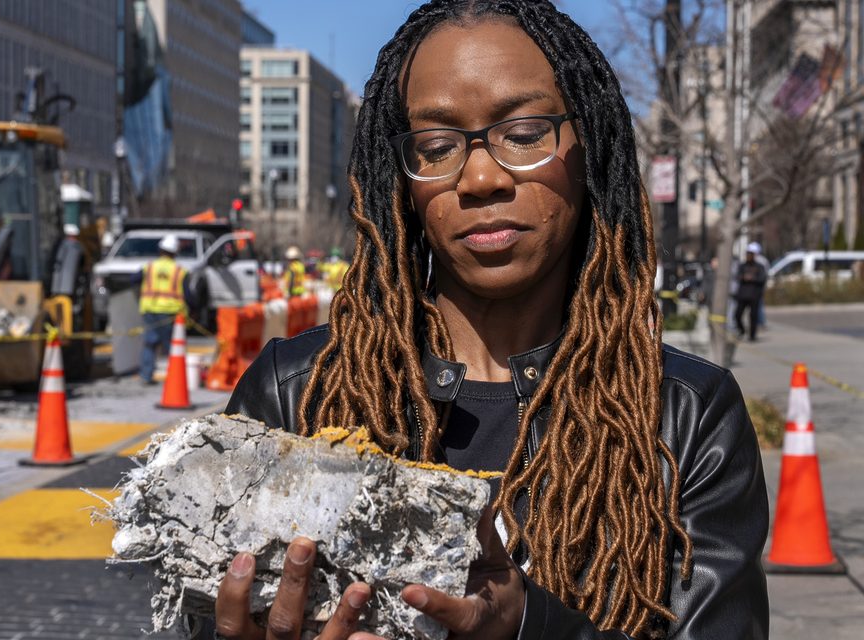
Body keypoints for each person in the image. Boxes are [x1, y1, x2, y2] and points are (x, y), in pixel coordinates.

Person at [221, 2, 768, 638]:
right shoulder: (295, 392)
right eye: (435, 146)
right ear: (404, 180)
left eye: (526, 134)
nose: (481, 177)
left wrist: (527, 624)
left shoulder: (685, 416)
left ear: (588, 146)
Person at [137, 235, 186, 384]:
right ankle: (174, 378)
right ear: (175, 252)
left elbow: (134, 279)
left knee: (150, 343)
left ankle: (146, 375)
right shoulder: (179, 270)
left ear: (160, 250)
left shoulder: (149, 266)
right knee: (172, 346)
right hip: (170, 312)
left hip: (150, 310)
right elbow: (189, 293)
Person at [734, 243, 768, 342]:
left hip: (754, 295)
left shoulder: (759, 266)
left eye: (750, 255)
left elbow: (762, 278)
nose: (748, 257)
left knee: (753, 316)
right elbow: (738, 276)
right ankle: (742, 330)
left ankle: (752, 335)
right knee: (738, 314)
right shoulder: (742, 266)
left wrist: (752, 278)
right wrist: (744, 277)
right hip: (743, 295)